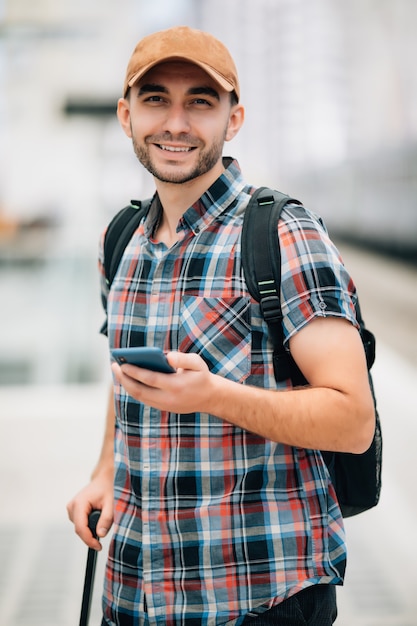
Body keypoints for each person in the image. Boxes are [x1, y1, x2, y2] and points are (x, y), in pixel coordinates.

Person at [67, 25, 375, 626]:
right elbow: (125, 377)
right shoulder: (120, 240)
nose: (176, 123)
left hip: (255, 597)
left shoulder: (282, 234)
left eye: (200, 102)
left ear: (233, 120)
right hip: (135, 592)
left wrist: (212, 395)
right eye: (156, 99)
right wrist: (105, 473)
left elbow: (353, 421)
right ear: (127, 115)